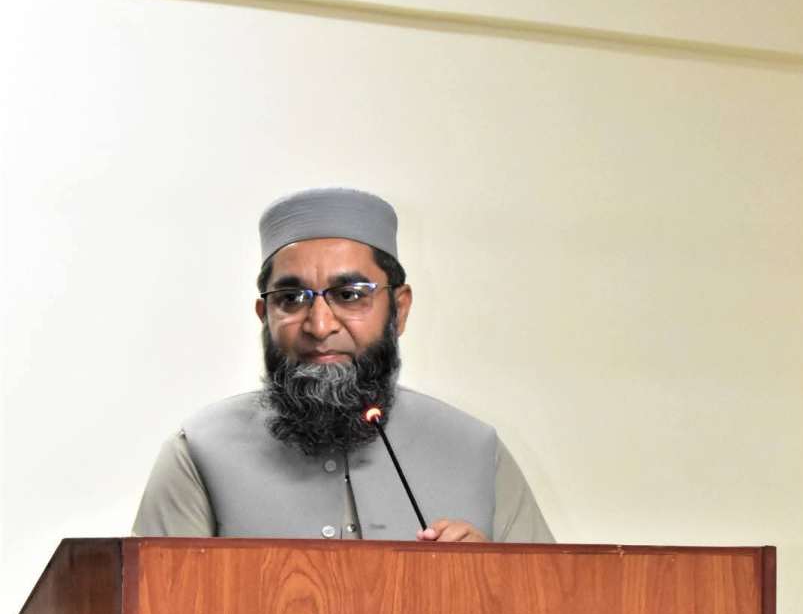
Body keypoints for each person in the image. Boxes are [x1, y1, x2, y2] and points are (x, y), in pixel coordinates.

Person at [133, 188, 553, 544]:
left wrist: (491, 583)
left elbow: (549, 609)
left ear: (399, 309)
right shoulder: (199, 454)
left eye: (350, 295)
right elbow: (155, 610)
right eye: (291, 299)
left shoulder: (476, 451)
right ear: (265, 316)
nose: (320, 326)